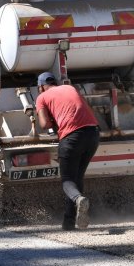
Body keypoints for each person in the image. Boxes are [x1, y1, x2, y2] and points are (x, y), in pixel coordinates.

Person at [35, 72, 100, 230]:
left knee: (67, 181)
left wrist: (52, 120)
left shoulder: (42, 97)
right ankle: (69, 223)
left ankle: (79, 200)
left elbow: (44, 124)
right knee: (77, 178)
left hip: (71, 137)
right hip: (93, 133)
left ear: (41, 86)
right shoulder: (70, 88)